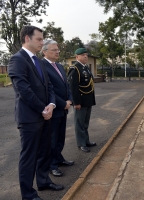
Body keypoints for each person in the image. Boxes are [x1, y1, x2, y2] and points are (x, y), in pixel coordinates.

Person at [8, 25, 64, 200]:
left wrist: (52, 105)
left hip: (46, 115)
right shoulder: (17, 60)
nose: (42, 42)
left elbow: (49, 87)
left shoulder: (39, 61)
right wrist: (43, 108)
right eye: (39, 39)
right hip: (30, 118)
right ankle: (28, 194)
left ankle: (43, 181)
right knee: (29, 157)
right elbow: (23, 90)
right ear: (27, 38)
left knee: (44, 152)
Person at [41, 40, 74, 177]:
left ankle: (59, 158)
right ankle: (52, 165)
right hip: (54, 109)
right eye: (54, 50)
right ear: (45, 52)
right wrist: (62, 103)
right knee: (52, 139)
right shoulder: (42, 66)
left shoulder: (59, 66)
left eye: (58, 50)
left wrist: (70, 100)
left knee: (60, 137)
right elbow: (49, 90)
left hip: (64, 108)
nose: (57, 52)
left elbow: (67, 85)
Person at [68, 48, 96, 153]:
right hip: (80, 100)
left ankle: (86, 141)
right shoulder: (75, 68)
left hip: (88, 100)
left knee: (85, 122)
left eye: (86, 55)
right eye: (83, 55)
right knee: (79, 123)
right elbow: (73, 87)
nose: (85, 56)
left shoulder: (86, 68)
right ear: (77, 57)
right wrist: (76, 102)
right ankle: (81, 144)